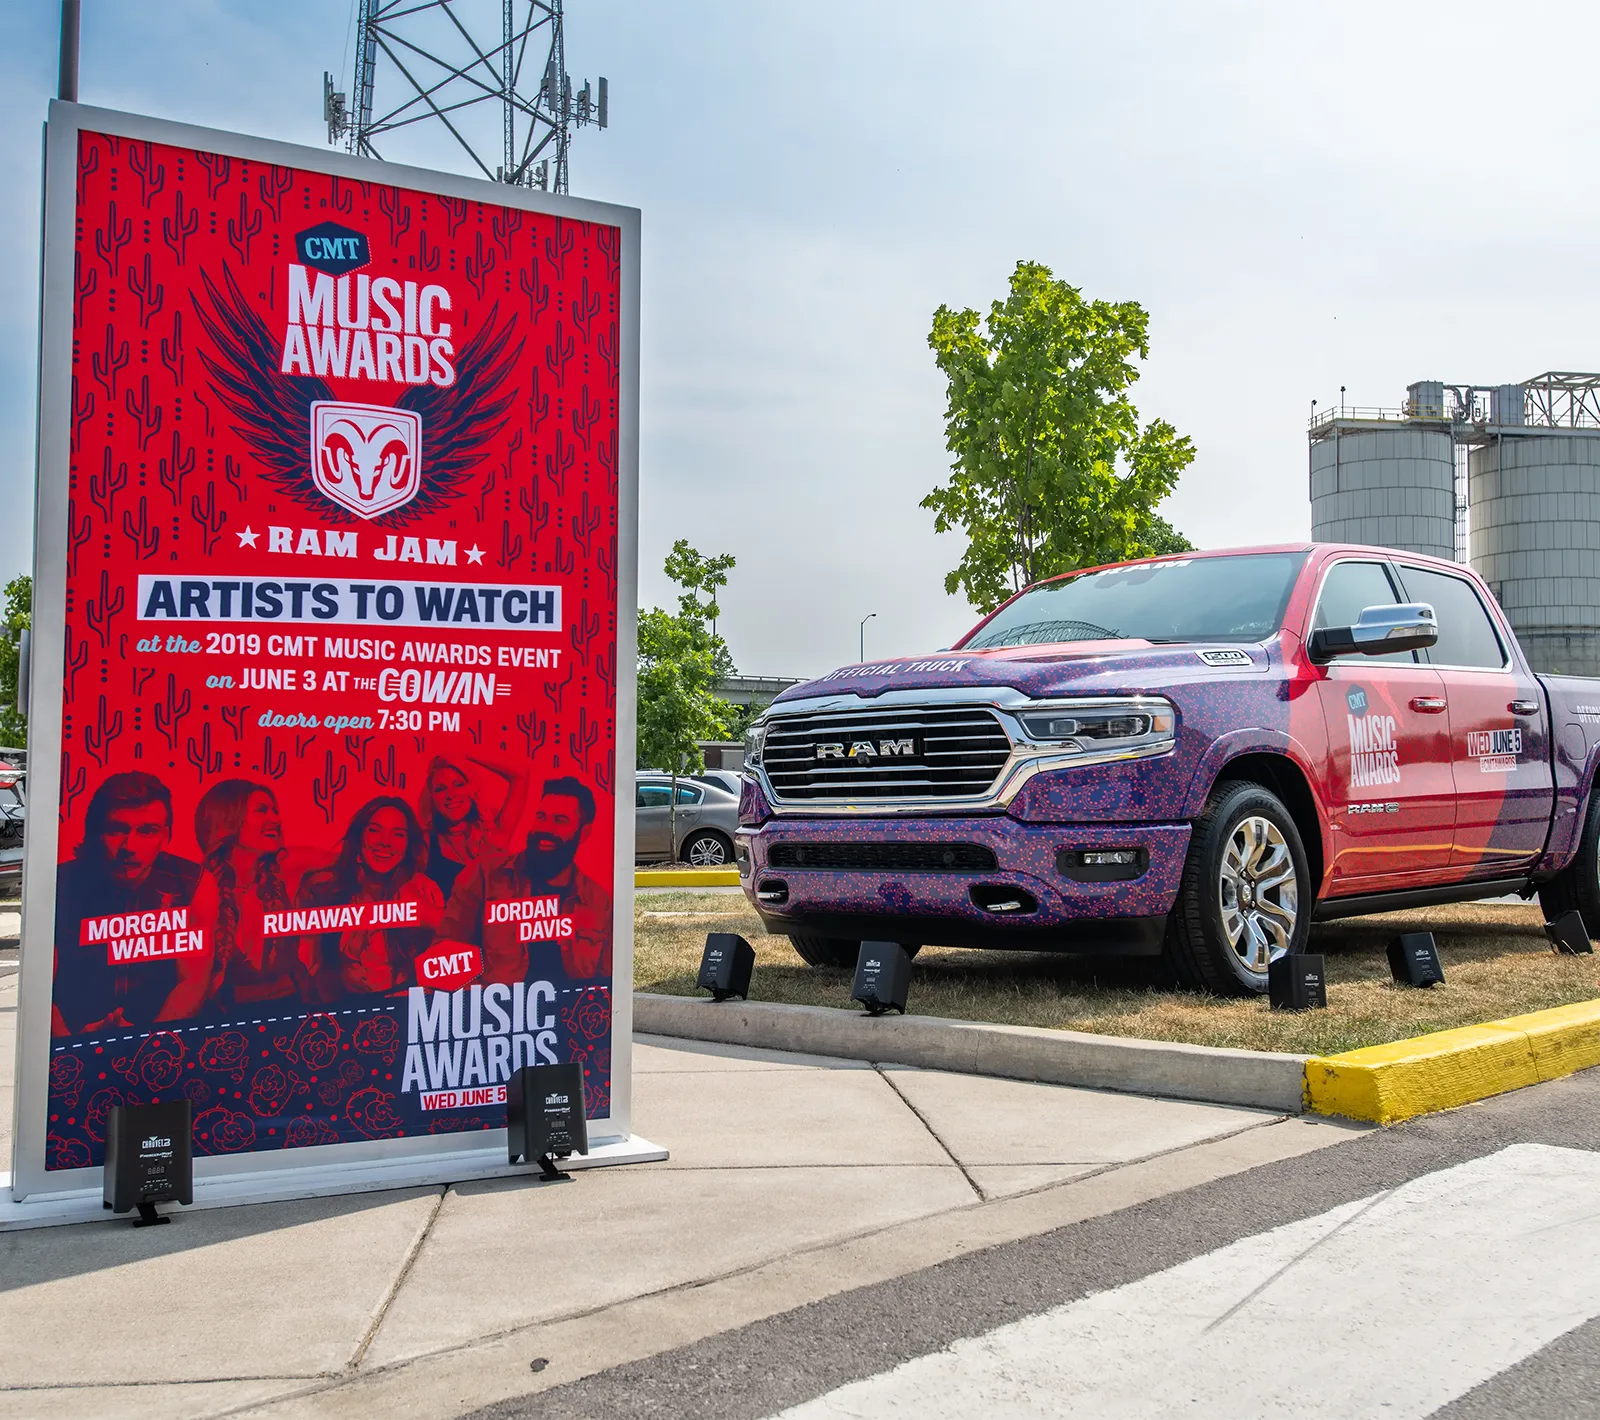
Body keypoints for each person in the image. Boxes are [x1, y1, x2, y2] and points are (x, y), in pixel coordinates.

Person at [51, 772, 204, 1036]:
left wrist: (151, 1043)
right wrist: (70, 1044)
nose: (129, 846)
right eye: (116, 830)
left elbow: (192, 981)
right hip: (73, 1034)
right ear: (94, 833)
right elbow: (41, 984)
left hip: (160, 1037)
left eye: (148, 831)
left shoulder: (192, 882)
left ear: (165, 836)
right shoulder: (61, 883)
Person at [436, 775, 611, 983]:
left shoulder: (598, 900)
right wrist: (481, 1000)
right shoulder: (484, 877)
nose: (546, 828)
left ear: (584, 833)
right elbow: (445, 957)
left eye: (560, 820)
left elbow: (605, 981)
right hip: (495, 1009)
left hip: (568, 1013)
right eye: (541, 816)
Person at [180, 780, 322, 1012]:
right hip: (226, 1023)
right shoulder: (198, 885)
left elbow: (355, 862)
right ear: (227, 820)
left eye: (275, 811)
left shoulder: (290, 866)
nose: (276, 820)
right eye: (262, 810)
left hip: (294, 1012)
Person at [296, 796, 444, 996]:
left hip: (404, 1012)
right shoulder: (332, 888)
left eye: (398, 834)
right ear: (360, 837)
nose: (385, 842)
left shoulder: (422, 891)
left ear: (408, 846)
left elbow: (457, 947)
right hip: (347, 1013)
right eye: (375, 830)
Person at [418, 752, 531, 900]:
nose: (450, 795)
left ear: (472, 790)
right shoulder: (426, 842)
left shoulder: (494, 835)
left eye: (459, 785)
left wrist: (466, 754)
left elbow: (520, 774)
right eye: (440, 789)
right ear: (433, 797)